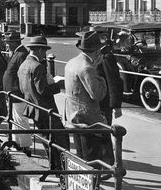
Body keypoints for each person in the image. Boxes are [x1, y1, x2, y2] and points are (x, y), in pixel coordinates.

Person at [18, 36, 69, 169]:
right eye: (44, 50)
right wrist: (57, 85)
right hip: (45, 109)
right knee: (58, 140)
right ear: (40, 50)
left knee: (47, 140)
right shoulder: (38, 67)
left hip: (33, 108)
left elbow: (23, 88)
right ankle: (59, 169)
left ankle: (54, 166)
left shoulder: (23, 65)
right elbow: (43, 90)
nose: (45, 54)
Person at [64, 31, 110, 163]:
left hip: (73, 117)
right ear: (96, 51)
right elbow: (97, 95)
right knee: (93, 159)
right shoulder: (87, 68)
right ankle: (95, 183)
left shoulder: (72, 62)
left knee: (81, 157)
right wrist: (101, 78)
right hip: (89, 121)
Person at [2, 30, 31, 152]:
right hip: (13, 94)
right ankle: (17, 143)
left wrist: (21, 92)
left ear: (15, 42)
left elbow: (23, 75)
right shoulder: (17, 53)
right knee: (15, 119)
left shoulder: (21, 54)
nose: (7, 45)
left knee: (20, 120)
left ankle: (24, 146)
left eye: (9, 43)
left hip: (17, 94)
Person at [98, 39, 123, 125]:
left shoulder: (106, 57)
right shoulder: (98, 56)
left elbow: (113, 82)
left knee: (105, 131)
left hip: (104, 104)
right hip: (97, 103)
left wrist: (116, 106)